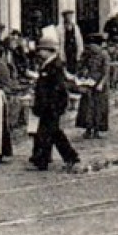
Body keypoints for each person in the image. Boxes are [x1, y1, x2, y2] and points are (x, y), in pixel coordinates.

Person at [28, 29, 80, 172]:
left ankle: (47, 159)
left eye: (41, 50)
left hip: (51, 105)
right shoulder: (50, 64)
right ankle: (45, 158)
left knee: (48, 133)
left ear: (49, 51)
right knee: (51, 132)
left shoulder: (54, 66)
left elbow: (55, 88)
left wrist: (48, 105)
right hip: (49, 105)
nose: (39, 53)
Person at [75, 33, 112, 139]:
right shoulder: (86, 54)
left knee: (99, 108)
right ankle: (88, 128)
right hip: (88, 84)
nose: (92, 48)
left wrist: (101, 83)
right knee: (87, 107)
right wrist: (81, 76)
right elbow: (80, 67)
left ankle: (97, 129)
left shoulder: (104, 55)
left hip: (100, 85)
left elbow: (106, 72)